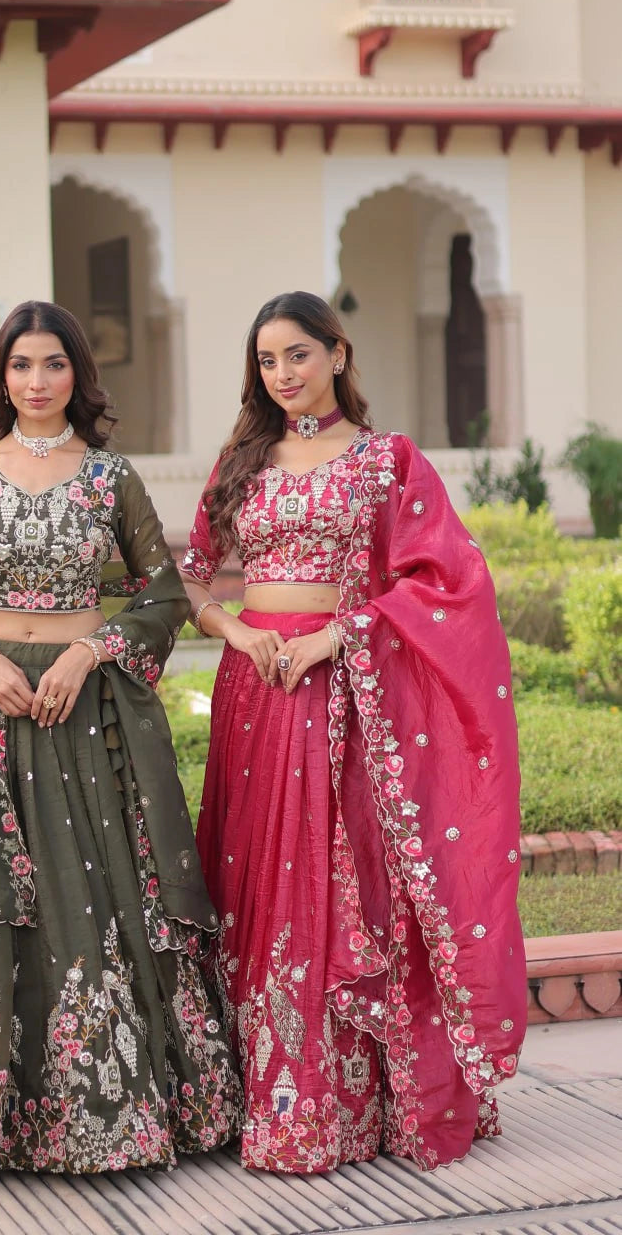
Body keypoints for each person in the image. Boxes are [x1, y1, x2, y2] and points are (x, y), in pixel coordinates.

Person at [0, 301, 241, 1180]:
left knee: (93, 895)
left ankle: (115, 1108)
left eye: (55, 365)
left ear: (79, 374)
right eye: (22, 366)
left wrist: (90, 650)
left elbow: (162, 592)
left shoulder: (112, 479)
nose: (38, 382)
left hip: (83, 711)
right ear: (2, 377)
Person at [179, 290, 525, 1174]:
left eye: (297, 354)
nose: (282, 374)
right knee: (252, 877)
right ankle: (256, 1091)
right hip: (255, 686)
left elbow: (451, 580)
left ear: (336, 353)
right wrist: (241, 631)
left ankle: (343, 1103)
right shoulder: (241, 460)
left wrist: (342, 633)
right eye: (265, 360)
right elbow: (186, 581)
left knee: (341, 882)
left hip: (341, 689)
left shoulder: (385, 462)